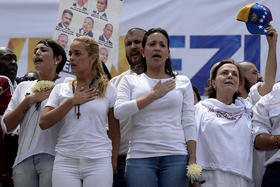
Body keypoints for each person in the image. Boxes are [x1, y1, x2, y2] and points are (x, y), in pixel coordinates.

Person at [114, 28, 197, 187]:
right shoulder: (130, 81)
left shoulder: (182, 81)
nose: (157, 48)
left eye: (162, 45)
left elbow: (188, 121)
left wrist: (192, 156)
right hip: (140, 156)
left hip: (176, 155)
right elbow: (119, 112)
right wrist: (153, 94)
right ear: (143, 51)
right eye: (152, 44)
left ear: (168, 52)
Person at [39, 36, 120, 187]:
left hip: (99, 160)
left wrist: (113, 160)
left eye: (77, 53)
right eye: (70, 54)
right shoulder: (60, 88)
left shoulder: (109, 89)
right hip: (65, 161)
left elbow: (114, 130)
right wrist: (71, 101)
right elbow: (44, 122)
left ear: (92, 57)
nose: (71, 58)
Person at [1, 39, 67, 187]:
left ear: (58, 59)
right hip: (22, 160)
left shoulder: (65, 88)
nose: (37, 52)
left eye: (43, 50)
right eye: (35, 50)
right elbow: (7, 126)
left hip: (54, 157)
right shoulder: (23, 87)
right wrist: (28, 101)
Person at [195, 59, 254, 187]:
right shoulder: (200, 108)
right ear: (213, 83)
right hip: (208, 178)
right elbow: (190, 145)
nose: (230, 76)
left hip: (241, 179)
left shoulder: (248, 110)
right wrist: (193, 178)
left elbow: (267, 87)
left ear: (239, 84)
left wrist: (272, 46)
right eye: (224, 73)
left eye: (234, 74)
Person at [237, 26, 277, 187]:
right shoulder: (216, 106)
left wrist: (272, 46)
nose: (259, 75)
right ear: (240, 77)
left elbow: (268, 83)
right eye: (254, 72)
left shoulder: (255, 97)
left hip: (260, 166)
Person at [110, 27, 146, 187]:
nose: (132, 47)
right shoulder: (114, 83)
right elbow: (109, 127)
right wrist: (112, 158)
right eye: (128, 43)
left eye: (137, 42)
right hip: (121, 160)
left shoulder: (167, 80)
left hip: (153, 158)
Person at [0, 47, 18, 187]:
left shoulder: (22, 85)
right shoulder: (3, 81)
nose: (13, 63)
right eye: (7, 58)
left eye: (15, 59)